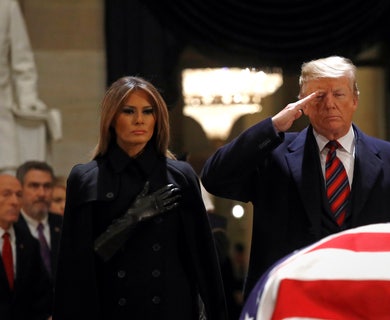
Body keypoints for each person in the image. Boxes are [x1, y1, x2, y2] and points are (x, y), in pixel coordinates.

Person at [201, 55, 390, 297]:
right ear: (302, 103)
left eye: (338, 94)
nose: (329, 104)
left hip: (373, 299)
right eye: (318, 96)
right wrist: (273, 126)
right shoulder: (272, 155)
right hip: (291, 300)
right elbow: (215, 178)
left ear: (355, 99)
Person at [53, 76, 227, 319]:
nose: (139, 120)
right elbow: (75, 264)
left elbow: (203, 257)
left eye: (148, 111)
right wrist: (132, 218)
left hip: (171, 310)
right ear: (112, 118)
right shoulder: (86, 178)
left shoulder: (181, 175)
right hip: (110, 310)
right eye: (129, 111)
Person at [0, 0, 61, 174]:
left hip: (2, 125)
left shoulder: (6, 6)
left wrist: (28, 99)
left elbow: (23, 62)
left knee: (8, 188)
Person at [0, 174, 52, 320]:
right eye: (6, 194)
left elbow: (41, 294)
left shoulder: (29, 242)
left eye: (19, 195)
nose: (15, 202)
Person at [14, 161, 63, 281]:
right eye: (34, 186)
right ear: (20, 189)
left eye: (47, 186)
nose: (41, 193)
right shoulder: (12, 227)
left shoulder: (64, 224)